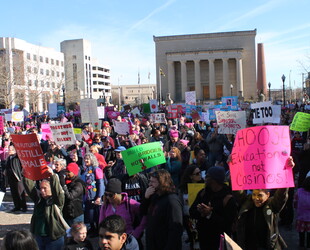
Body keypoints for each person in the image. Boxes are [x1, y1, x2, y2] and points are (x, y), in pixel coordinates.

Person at [234, 157, 295, 250]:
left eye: (260, 195)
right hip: (248, 246)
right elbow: (237, 189)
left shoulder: (272, 205)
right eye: (254, 194)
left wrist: (286, 171)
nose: (256, 198)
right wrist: (234, 167)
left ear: (268, 195)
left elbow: (281, 195)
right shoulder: (246, 202)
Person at [190, 166, 237, 250]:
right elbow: (192, 211)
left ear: (214, 180)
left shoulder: (228, 198)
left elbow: (227, 224)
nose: (205, 178)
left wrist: (210, 214)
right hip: (204, 240)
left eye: (207, 176)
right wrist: (201, 211)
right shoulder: (203, 193)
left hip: (220, 242)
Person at [23, 168, 67, 250]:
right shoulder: (39, 199)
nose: (42, 191)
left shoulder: (56, 201)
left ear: (51, 189)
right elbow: (30, 188)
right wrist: (26, 175)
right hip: (38, 236)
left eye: (45, 188)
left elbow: (58, 192)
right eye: (41, 188)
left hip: (53, 237)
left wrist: (53, 176)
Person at [140, 169, 183, 250]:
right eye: (150, 181)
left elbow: (176, 230)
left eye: (153, 182)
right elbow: (142, 213)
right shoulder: (154, 196)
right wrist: (146, 198)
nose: (149, 184)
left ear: (162, 183)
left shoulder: (172, 200)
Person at [179, 166, 204, 250]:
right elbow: (180, 204)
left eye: (200, 172)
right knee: (193, 239)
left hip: (201, 217)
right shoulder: (183, 189)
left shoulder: (204, 186)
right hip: (188, 218)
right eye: (197, 173)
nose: (199, 175)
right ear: (190, 176)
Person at [81, 153, 104, 237]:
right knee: (89, 214)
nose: (86, 160)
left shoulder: (96, 169)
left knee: (96, 214)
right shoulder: (85, 170)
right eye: (85, 159)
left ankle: (98, 230)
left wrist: (99, 196)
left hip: (94, 196)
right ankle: (93, 228)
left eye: (88, 159)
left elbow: (100, 183)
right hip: (87, 197)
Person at [4, 145, 27, 212]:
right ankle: (17, 206)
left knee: (20, 192)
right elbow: (7, 166)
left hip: (18, 177)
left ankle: (24, 207)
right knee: (14, 193)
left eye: (10, 150)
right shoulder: (9, 158)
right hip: (11, 177)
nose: (8, 151)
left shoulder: (17, 157)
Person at [295, 175, 310, 249]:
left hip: (300, 216)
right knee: (309, 233)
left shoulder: (299, 191)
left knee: (301, 232)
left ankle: (301, 245)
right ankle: (308, 245)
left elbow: (295, 201)